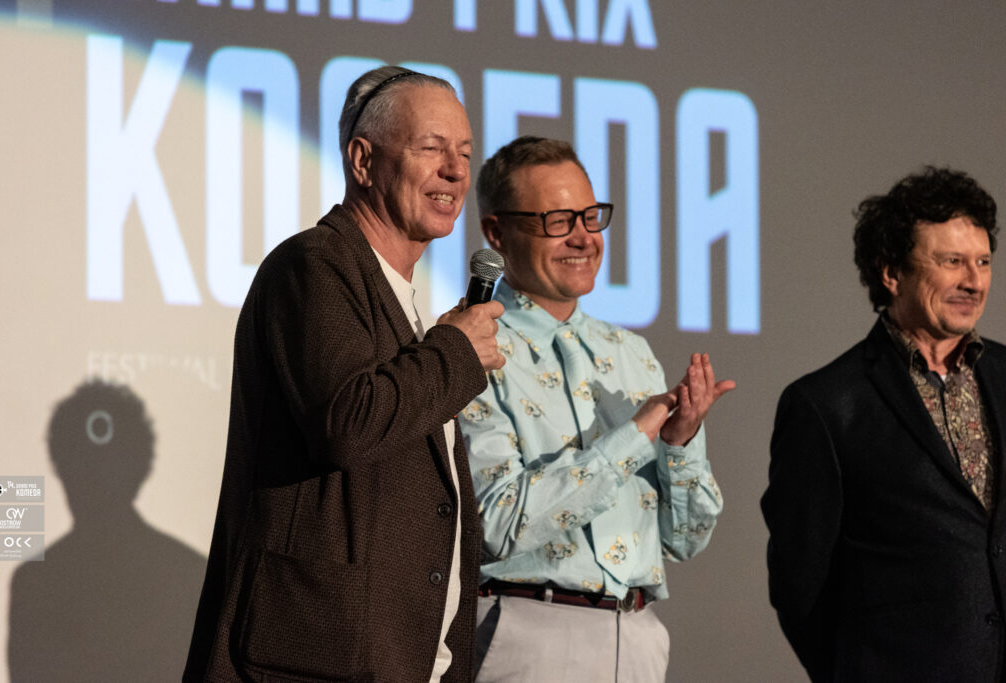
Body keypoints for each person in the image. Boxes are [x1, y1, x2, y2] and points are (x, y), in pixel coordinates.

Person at [184, 66, 505, 683]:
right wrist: (454, 352)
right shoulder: (314, 264)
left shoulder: (402, 298)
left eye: (465, 153)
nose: (455, 171)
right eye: (431, 148)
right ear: (363, 160)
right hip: (313, 660)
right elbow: (349, 423)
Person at [458, 136, 734, 682]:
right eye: (558, 220)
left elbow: (686, 540)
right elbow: (495, 523)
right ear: (496, 232)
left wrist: (679, 444)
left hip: (637, 636)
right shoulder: (472, 347)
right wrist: (632, 437)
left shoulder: (630, 353)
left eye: (590, 216)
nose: (584, 237)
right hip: (529, 633)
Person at [762, 167, 1006, 681]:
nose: (974, 280)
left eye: (983, 261)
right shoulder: (827, 404)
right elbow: (799, 587)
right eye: (952, 261)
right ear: (892, 272)